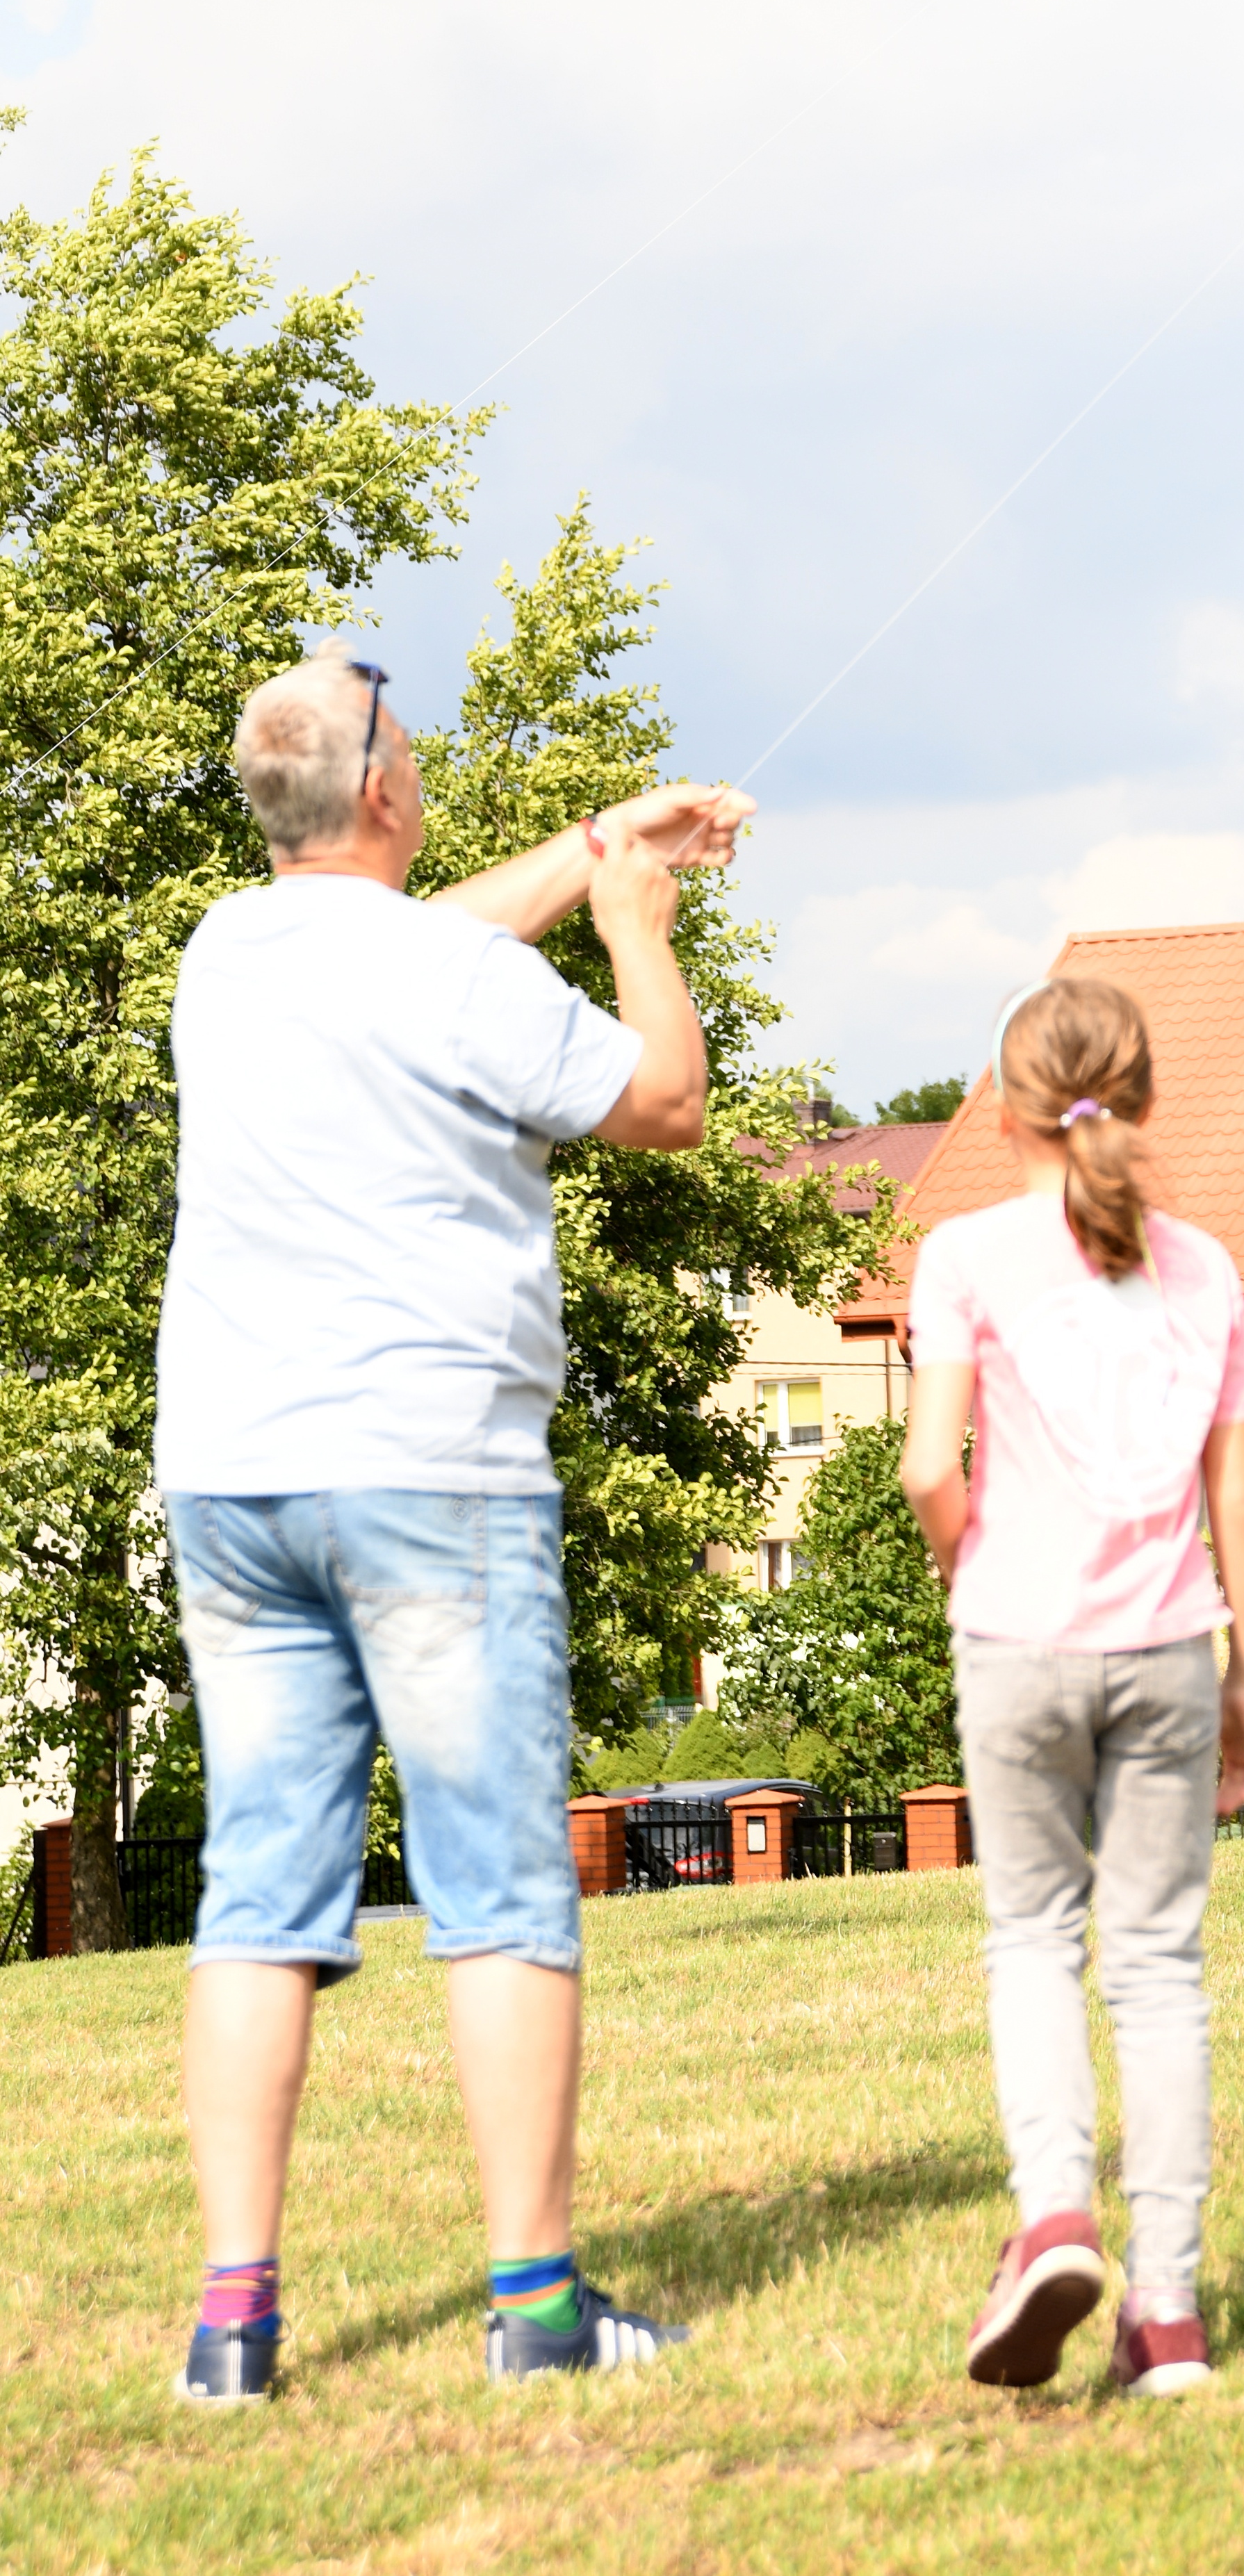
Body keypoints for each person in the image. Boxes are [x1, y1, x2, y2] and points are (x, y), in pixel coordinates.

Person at [155, 641, 753, 2405]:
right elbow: (666, 1103)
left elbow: (422, 949)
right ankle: (539, 2310)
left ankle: (234, 2328)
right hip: (432, 1474)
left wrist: (587, 841)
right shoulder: (440, 973)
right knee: (498, 1888)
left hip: (235, 1476)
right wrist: (638, 913)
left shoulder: (221, 954)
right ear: (392, 795)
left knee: (260, 1892)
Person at [902, 970, 1244, 2401]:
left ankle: (1056, 2213)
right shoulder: (1202, 1265)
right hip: (1173, 1644)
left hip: (1019, 1641)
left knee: (1031, 1941)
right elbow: (1235, 1489)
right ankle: (1167, 2314)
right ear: (1145, 1099)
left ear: (1005, 1111)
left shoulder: (968, 1256)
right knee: (1160, 1969)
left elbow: (935, 1465)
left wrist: (966, 1566)